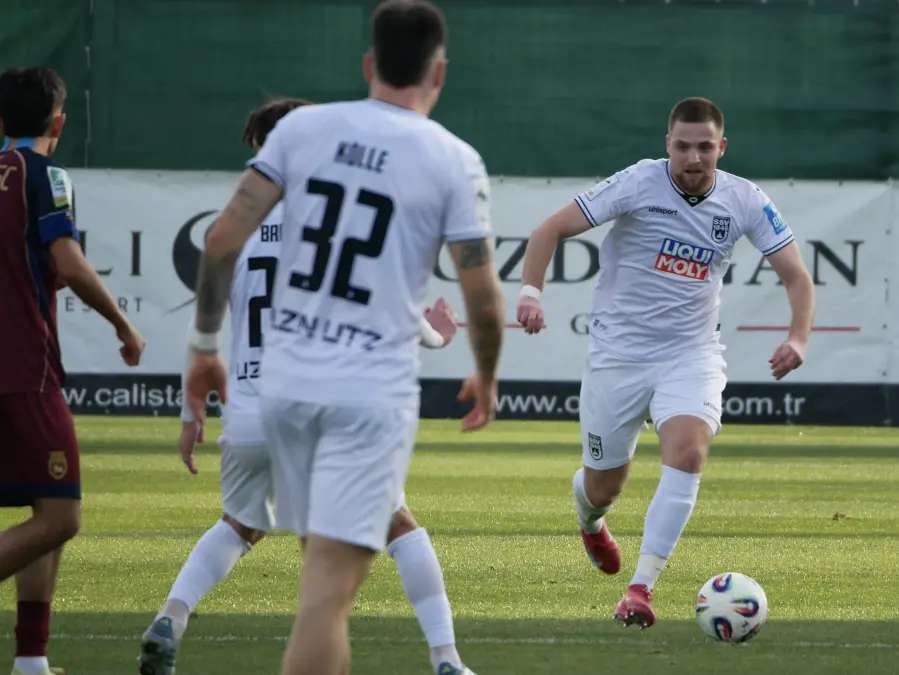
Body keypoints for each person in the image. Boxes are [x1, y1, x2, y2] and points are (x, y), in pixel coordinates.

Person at [182, 2, 505, 674]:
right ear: (440, 72)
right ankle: (445, 656)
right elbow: (481, 293)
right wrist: (486, 371)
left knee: (318, 586)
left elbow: (219, 239)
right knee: (327, 597)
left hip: (285, 389)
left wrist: (205, 346)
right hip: (367, 395)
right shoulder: (453, 157)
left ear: (368, 64)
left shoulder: (302, 130)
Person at [138, 98, 478, 675]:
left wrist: (191, 406)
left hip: (250, 409)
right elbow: (388, 302)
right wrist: (438, 336)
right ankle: (446, 657)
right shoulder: (334, 221)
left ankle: (170, 618)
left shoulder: (236, 233)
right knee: (396, 522)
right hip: (321, 401)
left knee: (240, 523)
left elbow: (208, 322)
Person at [516, 97, 816, 629]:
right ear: (667, 145)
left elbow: (797, 276)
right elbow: (549, 230)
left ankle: (640, 589)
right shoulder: (638, 182)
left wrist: (798, 337)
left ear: (722, 147)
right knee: (604, 487)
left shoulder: (745, 199)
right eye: (683, 146)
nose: (693, 157)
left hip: (691, 354)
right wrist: (530, 293)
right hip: (618, 356)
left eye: (705, 147)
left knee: (689, 452)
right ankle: (590, 519)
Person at [0, 66, 146, 675]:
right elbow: (70, 262)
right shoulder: (45, 175)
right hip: (22, 369)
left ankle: (32, 661)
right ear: (58, 123)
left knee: (45, 504)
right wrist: (123, 324)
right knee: (61, 515)